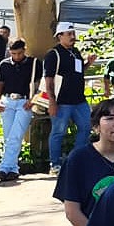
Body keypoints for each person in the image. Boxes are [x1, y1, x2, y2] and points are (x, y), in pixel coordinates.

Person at [43, 22, 95, 173]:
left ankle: (75, 160)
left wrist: (88, 64)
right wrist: (52, 102)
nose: (73, 37)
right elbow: (49, 79)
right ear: (60, 36)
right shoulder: (53, 54)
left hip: (79, 99)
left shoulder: (76, 51)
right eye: (69, 34)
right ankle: (55, 164)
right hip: (62, 101)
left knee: (86, 127)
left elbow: (78, 72)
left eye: (73, 33)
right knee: (58, 132)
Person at [0, 40, 37, 181]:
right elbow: (0, 83)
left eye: (19, 53)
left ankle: (4, 167)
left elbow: (38, 83)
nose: (16, 57)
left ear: (24, 50)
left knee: (16, 135)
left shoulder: (34, 63)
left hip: (25, 101)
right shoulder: (4, 64)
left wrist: (32, 99)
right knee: (9, 135)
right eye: (13, 54)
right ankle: (13, 168)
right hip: (7, 100)